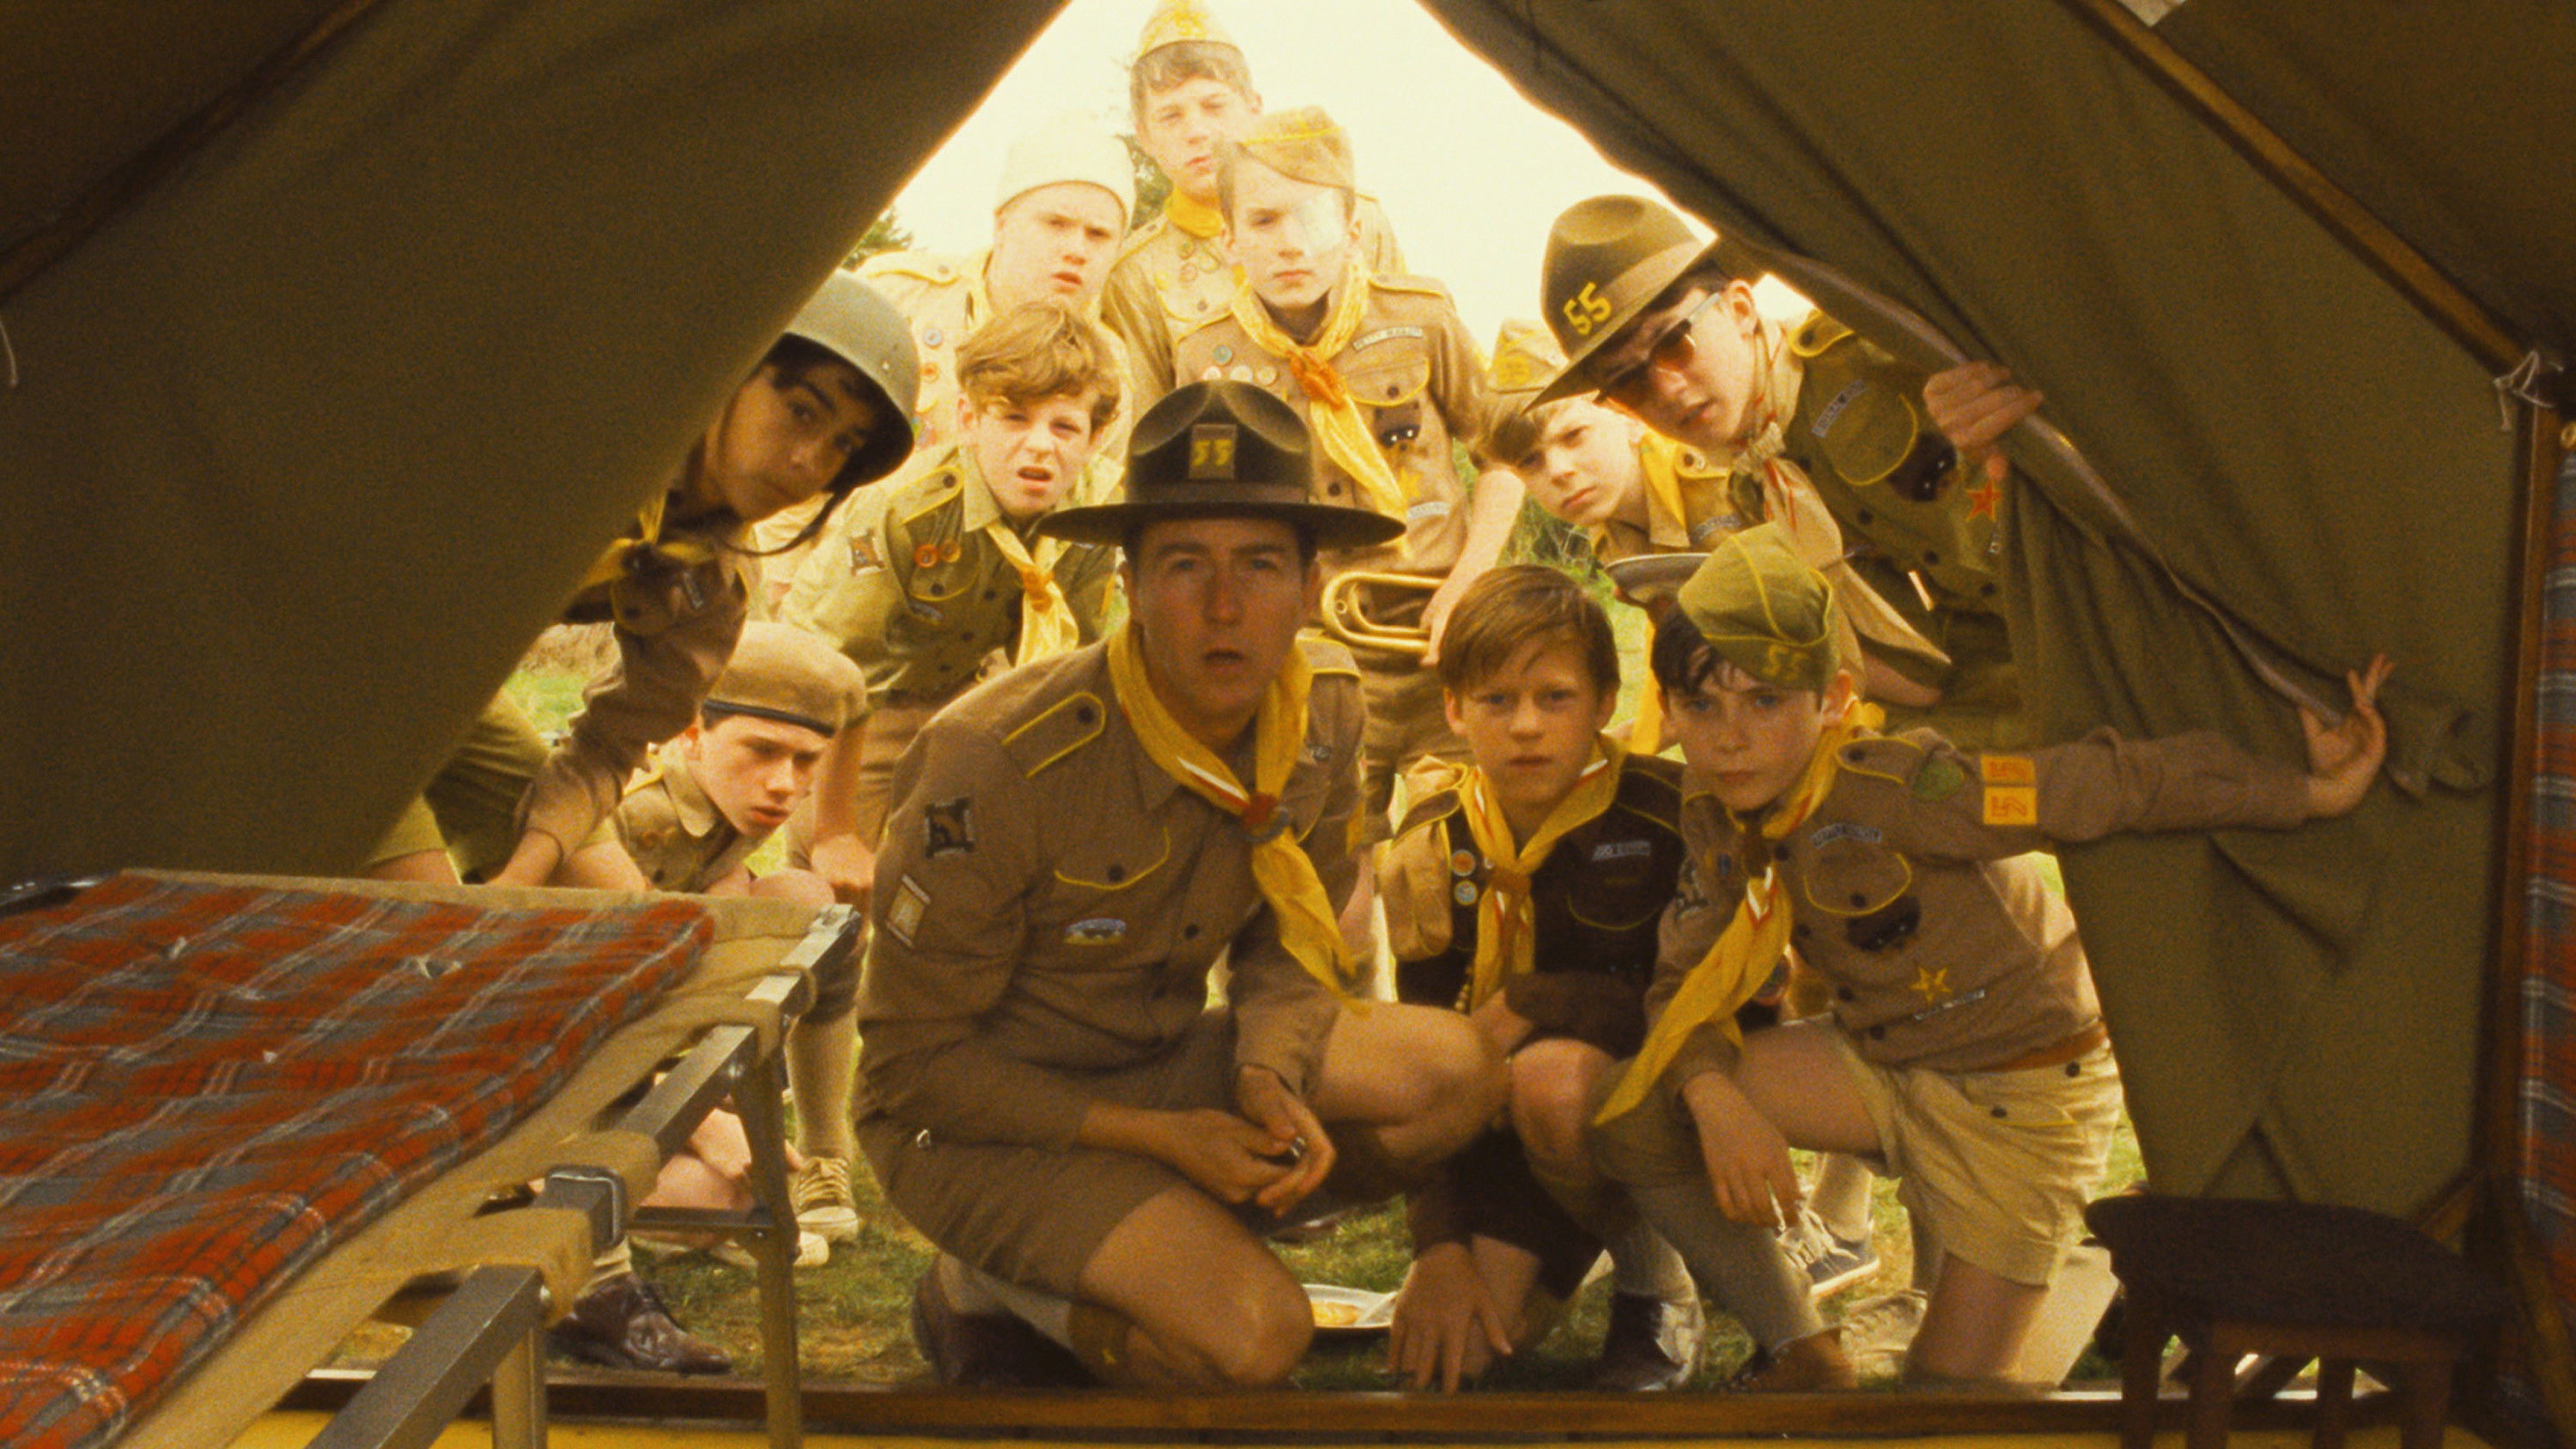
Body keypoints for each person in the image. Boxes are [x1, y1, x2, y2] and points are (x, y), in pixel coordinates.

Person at [1591, 524, 2391, 1385]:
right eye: (1700, 705)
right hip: (1885, 1062)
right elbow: (1683, 979)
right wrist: (1714, 1096)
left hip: (2023, 1091)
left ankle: (2081, 1265)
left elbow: (2095, 786)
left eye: (1765, 701)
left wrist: (2305, 788)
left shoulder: (1906, 788)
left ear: (1834, 699)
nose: (1729, 737)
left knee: (1944, 1401)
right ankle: (1804, 1349)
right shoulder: (1713, 809)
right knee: (1632, 1111)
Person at [855, 380, 1504, 1389]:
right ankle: (981, 1285)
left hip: (1149, 1059)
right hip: (978, 1117)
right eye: (1185, 565)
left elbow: (1291, 939)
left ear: (1311, 582)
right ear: (1128, 585)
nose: (1224, 606)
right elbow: (911, 1066)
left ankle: (1138, 1233)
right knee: (1251, 1341)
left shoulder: (1322, 712)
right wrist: (1162, 1137)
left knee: (1452, 1070)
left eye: (1260, 565)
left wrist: (1266, 1072)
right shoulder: (996, 759)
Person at [1377, 566, 1837, 1392]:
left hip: (1651, 1110)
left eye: (1554, 698)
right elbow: (1425, 1074)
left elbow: (1732, 1010)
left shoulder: (1673, 813)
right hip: (1498, 1136)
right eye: (1495, 700)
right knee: (1459, 1358)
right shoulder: (1431, 842)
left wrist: (1536, 1003)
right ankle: (1574, 1236)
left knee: (1555, 1081)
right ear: (1452, 710)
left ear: (1604, 703)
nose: (1526, 726)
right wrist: (1437, 1248)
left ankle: (1656, 1287)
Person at [362, 270, 917, 893]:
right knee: (419, 911)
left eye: (843, 444)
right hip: (335, 658)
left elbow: (608, 747)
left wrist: (521, 876)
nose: (809, 460)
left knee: (617, 910)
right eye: (801, 411)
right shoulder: (583, 441)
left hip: (448, 684)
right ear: (732, 370)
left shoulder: (712, 586)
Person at [1533, 194, 2033, 749]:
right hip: (2025, 660)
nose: (1667, 389)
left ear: (1740, 308)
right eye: (1629, 383)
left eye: (1675, 343)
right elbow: (1918, 676)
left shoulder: (1869, 346)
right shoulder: (1759, 491)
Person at [1172, 106, 1519, 870]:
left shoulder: (1420, 318)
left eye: (1311, 218)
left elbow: (1506, 459)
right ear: (1228, 239)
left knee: (1456, 863)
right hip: (1310, 653)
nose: (1290, 243)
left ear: (1354, 229)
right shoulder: (1206, 356)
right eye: (1263, 221)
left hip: (1438, 639)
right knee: (1321, 867)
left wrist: (1470, 579)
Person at [780, 298, 1125, 875]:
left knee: (959, 867)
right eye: (1014, 419)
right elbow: (843, 675)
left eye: (1065, 426)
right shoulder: (907, 509)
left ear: (1096, 438)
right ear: (968, 419)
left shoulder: (1092, 518)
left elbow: (1070, 664)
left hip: (958, 686)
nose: (1041, 445)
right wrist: (834, 831)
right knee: (848, 877)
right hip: (845, 698)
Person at [611, 617, 883, 1254]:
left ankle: (824, 1152)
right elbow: (575, 1031)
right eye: (760, 751)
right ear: (691, 735)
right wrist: (701, 1125)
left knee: (814, 912)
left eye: (806, 760)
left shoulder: (720, 791)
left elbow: (858, 710)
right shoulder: (636, 820)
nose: (785, 783)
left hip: (655, 1028)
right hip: (557, 1082)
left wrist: (834, 827)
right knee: (717, 1201)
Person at [1103, 0, 1405, 398]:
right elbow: (1147, 421)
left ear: (1254, 108)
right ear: (1144, 136)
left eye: (1214, 106)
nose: (1197, 130)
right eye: (1171, 116)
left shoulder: (1355, 219)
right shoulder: (1136, 274)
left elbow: (1412, 354)